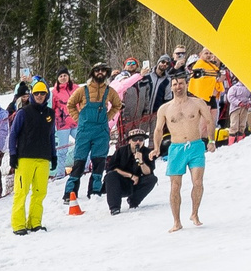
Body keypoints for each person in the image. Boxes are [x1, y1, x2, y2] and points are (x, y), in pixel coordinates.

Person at [154, 83, 217, 231]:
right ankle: (177, 221)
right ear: (171, 87)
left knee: (198, 182)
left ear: (186, 85)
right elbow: (158, 130)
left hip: (195, 146)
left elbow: (209, 121)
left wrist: (211, 140)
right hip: (176, 149)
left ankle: (194, 213)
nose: (178, 87)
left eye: (181, 83)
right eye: (175, 84)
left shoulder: (197, 103)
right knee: (175, 186)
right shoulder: (165, 108)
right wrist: (156, 148)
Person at [62, 64, 113, 207]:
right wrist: (79, 119)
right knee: (79, 162)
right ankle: (70, 193)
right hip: (84, 131)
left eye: (103, 70)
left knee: (99, 162)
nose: (100, 73)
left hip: (101, 132)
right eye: (97, 70)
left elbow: (116, 104)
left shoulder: (109, 91)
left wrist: (108, 117)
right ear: (92, 73)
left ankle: (95, 191)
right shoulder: (82, 90)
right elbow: (70, 104)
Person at [11, 79, 56, 234]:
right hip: (25, 157)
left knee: (40, 192)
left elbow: (52, 135)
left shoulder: (51, 113)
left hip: (43, 158)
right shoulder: (23, 112)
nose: (39, 96)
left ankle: (35, 222)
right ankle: (19, 225)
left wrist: (54, 155)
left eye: (42, 93)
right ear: (32, 95)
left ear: (46, 95)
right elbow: (13, 134)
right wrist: (13, 154)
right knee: (21, 192)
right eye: (36, 93)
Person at [103, 126, 159, 216]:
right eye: (135, 139)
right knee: (111, 176)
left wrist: (141, 162)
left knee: (152, 179)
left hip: (138, 183)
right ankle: (114, 207)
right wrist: (130, 176)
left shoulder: (148, 152)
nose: (138, 142)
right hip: (122, 182)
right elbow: (112, 168)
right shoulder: (121, 151)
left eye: (141, 139)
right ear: (129, 141)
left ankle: (134, 201)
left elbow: (149, 172)